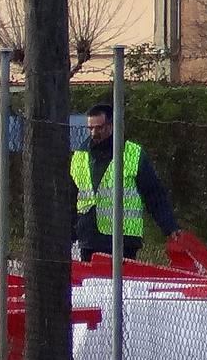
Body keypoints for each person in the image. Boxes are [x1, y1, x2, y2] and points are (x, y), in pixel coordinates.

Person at [72, 103, 181, 263]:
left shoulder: (132, 154)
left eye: (99, 128)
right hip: (89, 236)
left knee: (122, 284)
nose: (94, 133)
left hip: (123, 237)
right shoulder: (80, 155)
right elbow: (70, 196)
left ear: (112, 125)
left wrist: (170, 227)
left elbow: (154, 195)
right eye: (90, 128)